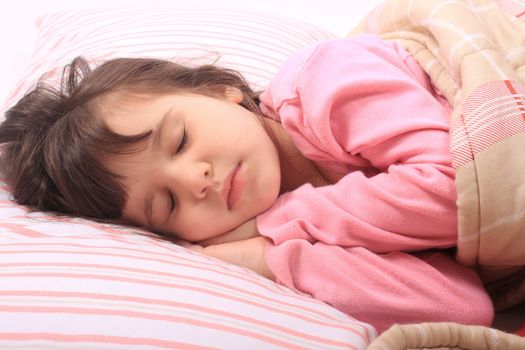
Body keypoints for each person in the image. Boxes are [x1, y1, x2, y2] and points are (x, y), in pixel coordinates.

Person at [0, 34, 493, 332]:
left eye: (179, 141)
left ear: (221, 90)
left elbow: (466, 192)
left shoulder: (327, 80)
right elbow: (462, 306)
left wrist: (280, 221)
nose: (196, 180)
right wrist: (270, 258)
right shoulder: (287, 242)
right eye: (167, 203)